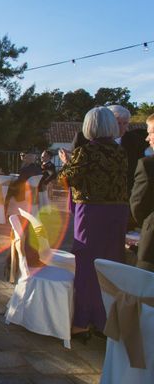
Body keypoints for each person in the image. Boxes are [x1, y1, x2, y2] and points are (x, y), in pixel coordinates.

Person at [59, 107, 129, 340]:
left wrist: (66, 162)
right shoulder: (120, 152)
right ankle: (104, 319)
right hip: (117, 213)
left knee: (88, 264)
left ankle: (81, 322)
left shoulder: (86, 152)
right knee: (111, 263)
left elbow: (66, 179)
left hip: (92, 213)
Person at [71, 105, 148, 194]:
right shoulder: (83, 139)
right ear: (108, 122)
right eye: (118, 123)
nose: (122, 127)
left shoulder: (136, 140)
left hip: (125, 194)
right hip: (90, 194)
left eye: (125, 123)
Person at [130, 113, 154, 271]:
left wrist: (145, 225)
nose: (147, 139)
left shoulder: (148, 166)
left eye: (150, 133)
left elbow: (138, 205)